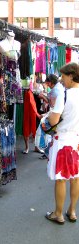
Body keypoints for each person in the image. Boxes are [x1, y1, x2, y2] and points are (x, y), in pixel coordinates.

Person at [45, 62, 79, 224]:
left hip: (63, 140)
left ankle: (58, 214)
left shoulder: (65, 95)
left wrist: (48, 117)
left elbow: (53, 120)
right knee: (76, 178)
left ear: (71, 76)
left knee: (61, 178)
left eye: (63, 77)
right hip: (77, 141)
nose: (61, 80)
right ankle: (72, 211)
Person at [37, 74, 64, 159]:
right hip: (57, 115)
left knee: (48, 133)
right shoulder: (58, 88)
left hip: (55, 116)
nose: (47, 85)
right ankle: (49, 152)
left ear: (51, 82)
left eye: (48, 83)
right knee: (50, 134)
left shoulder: (55, 90)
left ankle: (48, 153)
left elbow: (52, 104)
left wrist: (42, 96)